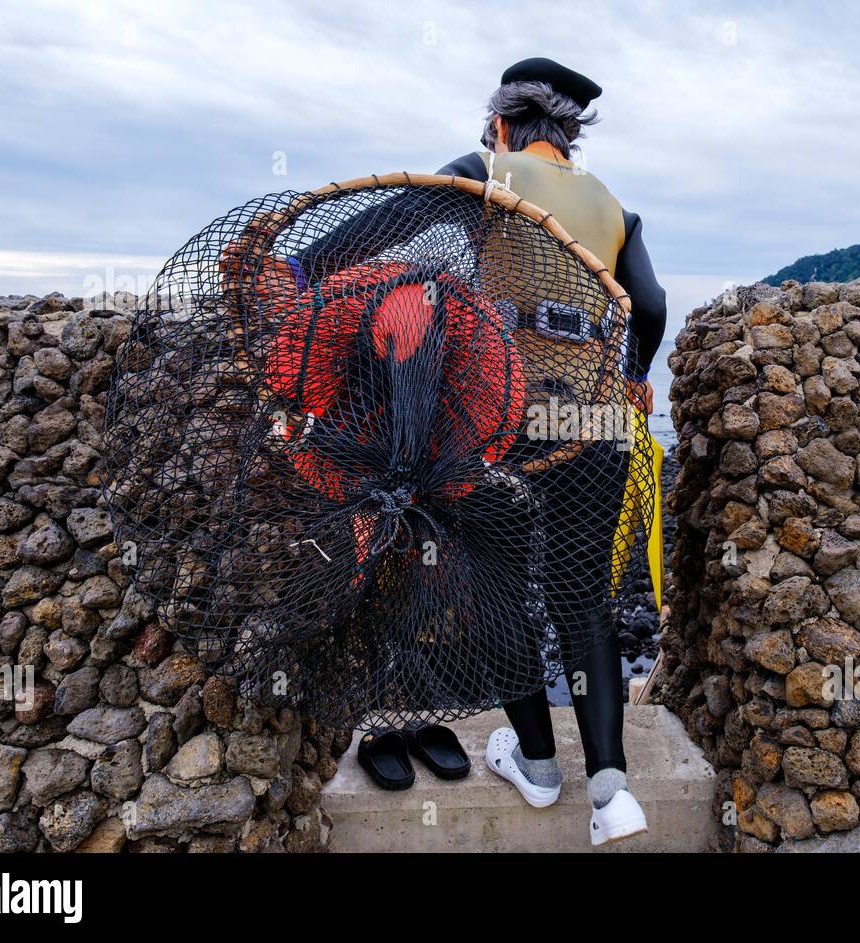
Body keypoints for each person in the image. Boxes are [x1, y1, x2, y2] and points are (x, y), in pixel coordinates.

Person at [288, 57, 667, 845]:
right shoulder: (615, 208)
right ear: (567, 136)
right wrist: (632, 372)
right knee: (584, 600)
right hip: (591, 425)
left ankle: (535, 762)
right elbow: (651, 305)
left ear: (501, 124)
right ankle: (611, 796)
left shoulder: (485, 171)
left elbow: (386, 224)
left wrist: (299, 266)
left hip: (501, 423)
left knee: (494, 589)